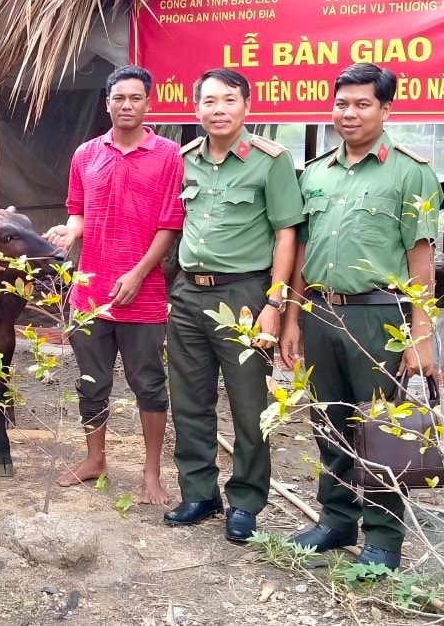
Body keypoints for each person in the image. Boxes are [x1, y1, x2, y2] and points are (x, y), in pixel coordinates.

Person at [281, 63, 441, 570]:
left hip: (378, 317)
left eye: (362, 104)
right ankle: (335, 519)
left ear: (385, 109)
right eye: (342, 103)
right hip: (322, 314)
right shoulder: (316, 172)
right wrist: (291, 318)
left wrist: (421, 334)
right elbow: (303, 249)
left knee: (378, 428)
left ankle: (383, 540)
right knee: (328, 421)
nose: (349, 114)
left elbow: (421, 262)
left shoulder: (410, 171)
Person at [163, 69, 304, 542]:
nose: (218, 109)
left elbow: (288, 235)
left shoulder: (270, 161)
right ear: (196, 108)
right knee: (189, 401)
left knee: (248, 405)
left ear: (247, 104)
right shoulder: (184, 160)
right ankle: (199, 493)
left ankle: (245, 500)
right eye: (208, 101)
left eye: (228, 100)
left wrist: (275, 303)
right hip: (187, 294)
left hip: (245, 295)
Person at [45, 65, 184, 505]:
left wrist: (139, 272)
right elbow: (77, 209)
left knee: (148, 382)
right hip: (90, 291)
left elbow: (170, 224)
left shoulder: (168, 156)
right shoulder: (86, 154)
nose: (127, 105)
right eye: (119, 98)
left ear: (149, 103)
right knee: (91, 380)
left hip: (143, 295)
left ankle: (151, 473)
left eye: (135, 98)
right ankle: (94, 458)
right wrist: (71, 232)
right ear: (107, 102)